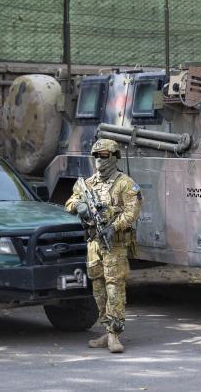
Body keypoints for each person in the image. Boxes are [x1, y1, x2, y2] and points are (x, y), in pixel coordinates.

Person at [65, 139, 142, 353]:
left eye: (104, 155)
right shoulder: (88, 184)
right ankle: (106, 330)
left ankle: (115, 335)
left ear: (115, 156)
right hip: (94, 245)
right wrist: (80, 206)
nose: (99, 159)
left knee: (114, 288)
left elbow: (132, 211)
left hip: (114, 245)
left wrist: (114, 226)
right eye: (96, 155)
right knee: (98, 290)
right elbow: (69, 203)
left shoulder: (125, 183)